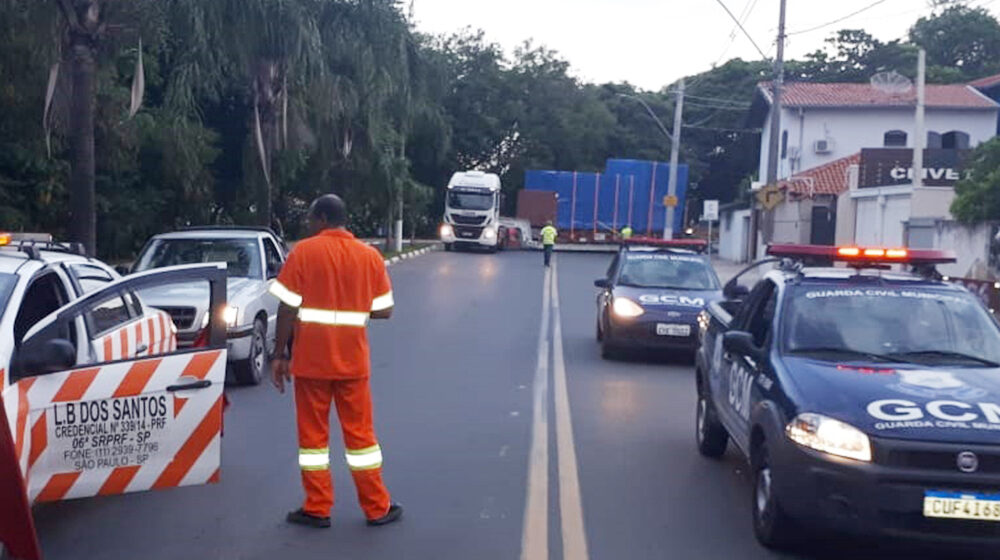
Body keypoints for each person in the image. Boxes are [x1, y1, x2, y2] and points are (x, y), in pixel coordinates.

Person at [269, 194, 402, 529]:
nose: (309, 225)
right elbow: (384, 310)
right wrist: (354, 304)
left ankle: (317, 507)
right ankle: (377, 507)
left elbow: (286, 309)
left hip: (312, 363)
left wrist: (279, 355)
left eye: (312, 219)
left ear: (323, 219)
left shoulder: (304, 251)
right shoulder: (369, 256)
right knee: (361, 439)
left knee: (313, 440)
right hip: (353, 364)